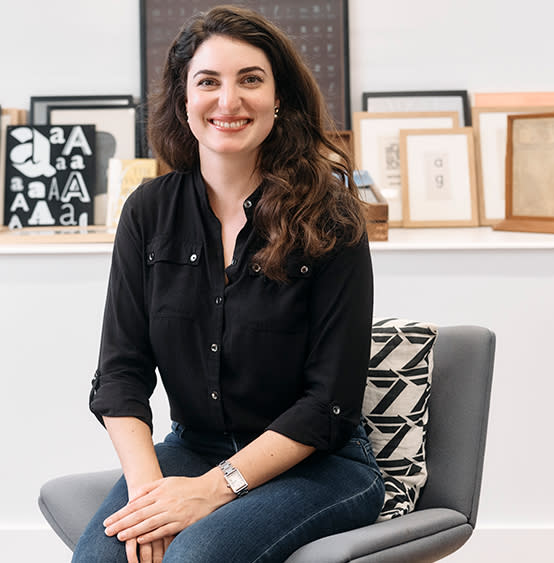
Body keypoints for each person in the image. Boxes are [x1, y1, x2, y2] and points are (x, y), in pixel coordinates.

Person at [73, 5, 383, 562]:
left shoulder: (331, 215)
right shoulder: (148, 212)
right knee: (104, 557)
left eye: (250, 80)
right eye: (208, 82)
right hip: (191, 449)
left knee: (197, 556)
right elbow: (121, 373)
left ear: (278, 97)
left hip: (320, 466)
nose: (228, 101)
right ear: (184, 99)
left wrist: (211, 491)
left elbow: (328, 403)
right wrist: (150, 495)